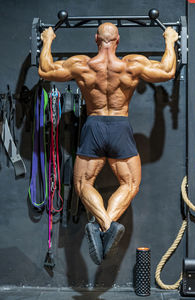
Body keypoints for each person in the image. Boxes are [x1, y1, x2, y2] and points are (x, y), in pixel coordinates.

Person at [38, 23, 178, 265]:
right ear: (118, 40)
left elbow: (45, 70)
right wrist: (170, 39)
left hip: (93, 126)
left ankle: (101, 223)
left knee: (83, 185)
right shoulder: (131, 65)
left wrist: (48, 39)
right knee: (130, 184)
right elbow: (167, 71)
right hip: (120, 126)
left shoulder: (82, 65)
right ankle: (107, 225)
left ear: (96, 39)